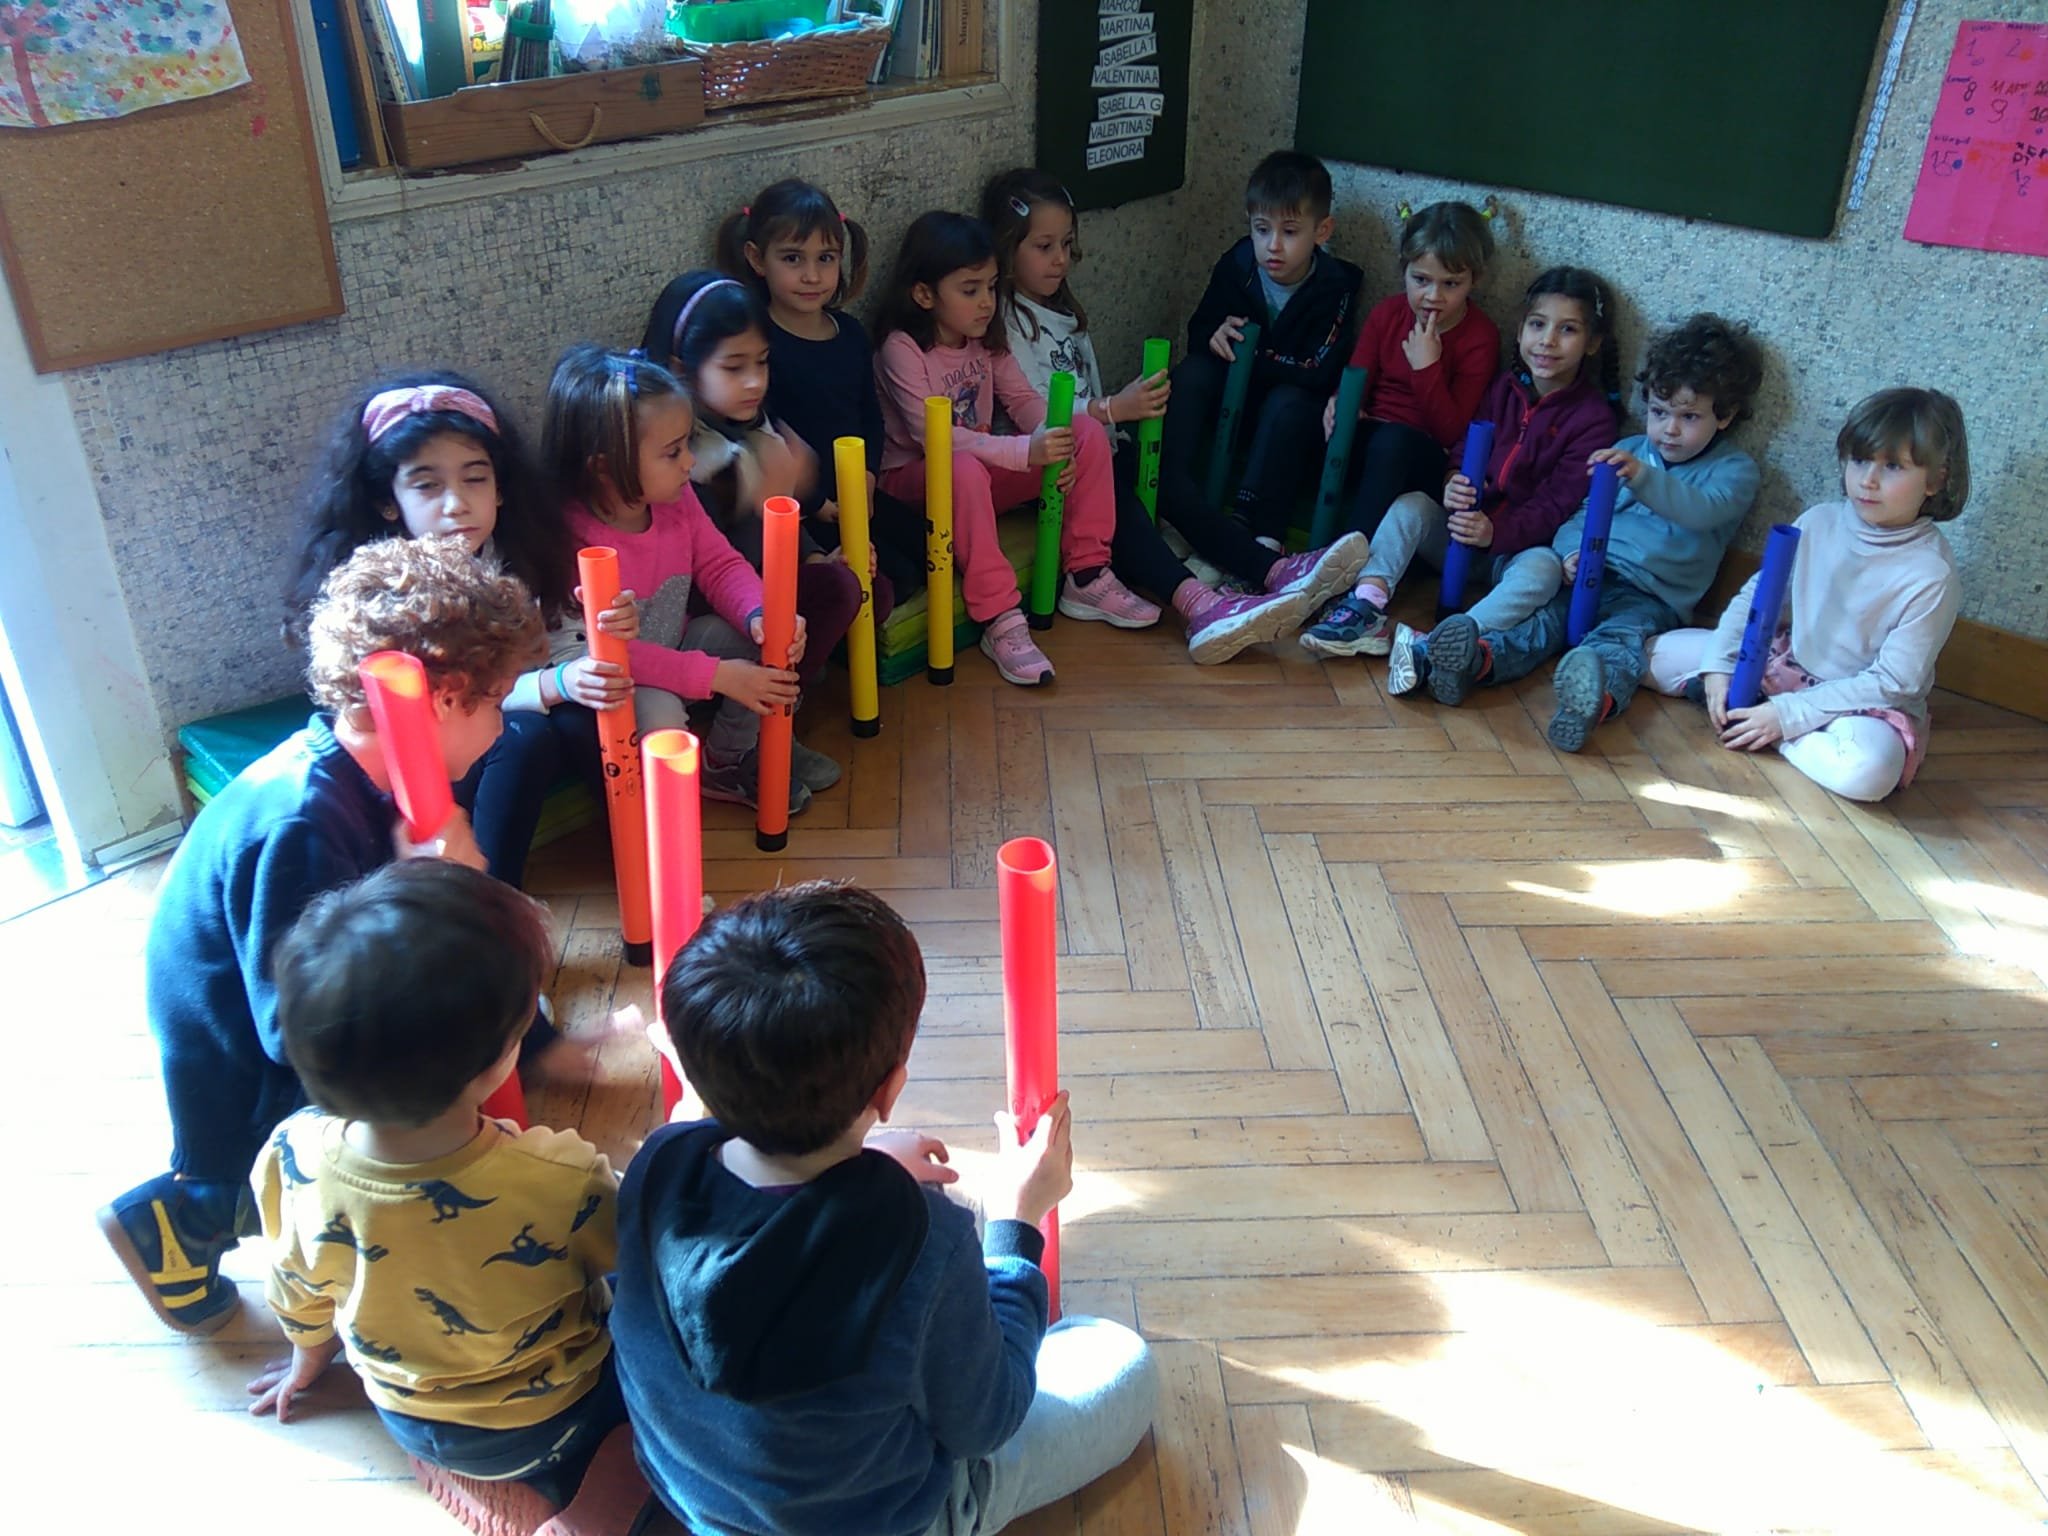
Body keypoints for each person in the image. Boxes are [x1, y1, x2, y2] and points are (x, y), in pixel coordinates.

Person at [612, 882, 1158, 1536]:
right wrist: (1016, 1222)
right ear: (891, 1090)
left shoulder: (657, 1165)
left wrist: (866, 1159)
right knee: (1123, 1361)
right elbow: (987, 1420)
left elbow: (764, 1245)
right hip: (879, 1520)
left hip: (696, 1496)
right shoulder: (926, 1246)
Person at [98, 538, 546, 1335]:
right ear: (444, 699)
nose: (503, 726)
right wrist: (427, 889)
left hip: (287, 1024)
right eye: (496, 702)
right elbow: (299, 1027)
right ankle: (177, 1218)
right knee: (378, 1146)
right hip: (247, 1073)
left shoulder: (363, 781)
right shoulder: (304, 820)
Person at [247, 860, 645, 1536]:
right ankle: (587, 1499)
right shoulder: (560, 1174)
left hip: (406, 1415)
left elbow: (294, 1282)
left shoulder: (290, 1154)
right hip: (558, 1418)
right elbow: (646, 1258)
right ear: (500, 1061)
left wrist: (307, 1361)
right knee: (660, 1368)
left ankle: (462, 1472)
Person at [282, 372, 638, 889]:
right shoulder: (386, 591)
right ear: (387, 499)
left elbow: (557, 643)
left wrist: (600, 634)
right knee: (526, 737)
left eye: (475, 479)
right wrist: (554, 684)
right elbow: (427, 710)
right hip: (433, 750)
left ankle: (639, 861)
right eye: (427, 485)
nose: (456, 504)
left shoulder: (521, 553)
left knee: (583, 719)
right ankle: (487, 895)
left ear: (500, 488)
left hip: (499, 715)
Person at [981, 167, 1325, 663]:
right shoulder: (1005, 320)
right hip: (1048, 466)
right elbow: (1035, 412)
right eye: (1044, 246)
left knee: (1170, 485)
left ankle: (1269, 569)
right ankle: (1198, 603)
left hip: (1094, 451)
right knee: (1127, 503)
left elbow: (1081, 391)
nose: (1060, 259)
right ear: (1006, 247)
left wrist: (1115, 419)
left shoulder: (1061, 311)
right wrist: (1114, 409)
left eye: (1067, 244)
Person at [1415, 314, 1767, 752]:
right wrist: (1569, 554)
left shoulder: (1735, 471)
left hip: (1651, 596)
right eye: (1659, 413)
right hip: (1587, 574)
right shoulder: (1629, 451)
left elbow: (1700, 511)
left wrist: (1642, 477)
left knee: (1618, 645)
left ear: (1726, 415)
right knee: (1541, 624)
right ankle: (1475, 661)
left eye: (1689, 416)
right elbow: (1580, 514)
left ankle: (1591, 700)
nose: (1670, 429)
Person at [873, 211, 1159, 686]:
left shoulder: (984, 337)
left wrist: (1055, 446)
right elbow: (934, 439)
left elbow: (1025, 401)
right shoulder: (900, 349)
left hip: (980, 474)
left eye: (991, 287)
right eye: (970, 290)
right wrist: (1028, 453)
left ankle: (1087, 575)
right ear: (924, 295)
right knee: (961, 467)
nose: (987, 303)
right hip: (916, 486)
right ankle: (999, 617)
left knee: (1083, 432)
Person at [1648, 386, 1965, 800]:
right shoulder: (1819, 521)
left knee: (1868, 773)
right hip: (1786, 666)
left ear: (1936, 479)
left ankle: (1770, 729)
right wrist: (1719, 666)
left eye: (1892, 466)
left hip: (1858, 703)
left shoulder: (1931, 574)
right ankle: (1750, 709)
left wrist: (1786, 718)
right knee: (1656, 653)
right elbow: (1756, 598)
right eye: (1860, 460)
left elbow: (1893, 682)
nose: (1868, 480)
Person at [643, 269, 890, 793]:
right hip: (708, 613)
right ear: (681, 370)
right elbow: (709, 560)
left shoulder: (756, 424)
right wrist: (757, 494)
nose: (754, 381)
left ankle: (778, 704)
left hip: (760, 591)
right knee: (823, 600)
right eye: (733, 367)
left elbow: (784, 518)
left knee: (864, 587)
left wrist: (815, 556)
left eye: (761, 362)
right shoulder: (680, 452)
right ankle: (748, 739)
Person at [542, 344, 810, 814]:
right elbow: (609, 657)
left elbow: (719, 564)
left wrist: (760, 614)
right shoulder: (575, 540)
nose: (689, 462)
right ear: (604, 466)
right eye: (672, 453)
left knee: (768, 642)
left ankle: (727, 761)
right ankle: (663, 825)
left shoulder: (677, 498)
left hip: (677, 643)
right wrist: (716, 676)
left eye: (687, 444)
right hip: (625, 677)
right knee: (664, 721)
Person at [1301, 266, 1621, 657]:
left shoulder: (1593, 419)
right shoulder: (1504, 389)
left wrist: (1496, 532)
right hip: (1459, 535)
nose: (1548, 341)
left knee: (1544, 571)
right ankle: (1366, 604)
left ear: (1593, 342)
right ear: (1520, 330)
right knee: (1411, 507)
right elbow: (1464, 446)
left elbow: (1556, 503)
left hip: (1519, 549)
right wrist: (1452, 478)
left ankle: (1450, 639)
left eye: (1567, 330)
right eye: (1537, 324)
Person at [715, 178, 927, 599]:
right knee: (883, 584)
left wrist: (868, 477)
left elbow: (869, 414)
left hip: (855, 494)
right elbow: (762, 435)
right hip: (802, 513)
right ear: (757, 258)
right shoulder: (758, 344)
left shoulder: (849, 333)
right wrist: (815, 503)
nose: (812, 276)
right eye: (793, 258)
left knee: (932, 554)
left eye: (825, 258)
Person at [1158, 150, 1364, 562]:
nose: (1273, 246)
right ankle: (1175, 509)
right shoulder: (1238, 264)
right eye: (1262, 229)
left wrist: (1250, 358)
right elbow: (1199, 330)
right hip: (1235, 399)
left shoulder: (1335, 285)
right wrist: (1215, 336)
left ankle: (1259, 534)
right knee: (1192, 373)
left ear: (1322, 231)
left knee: (1288, 402)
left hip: (1291, 419)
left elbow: (1318, 370)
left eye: (1290, 231)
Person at [1322, 200, 1500, 541]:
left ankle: (1350, 551)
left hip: (1421, 455)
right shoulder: (1387, 314)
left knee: (1393, 442)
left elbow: (1450, 433)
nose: (1433, 296)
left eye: (1451, 284)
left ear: (1474, 281)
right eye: (1421, 280)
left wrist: (1427, 368)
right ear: (1404, 270)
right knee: (1294, 408)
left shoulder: (1481, 337)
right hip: (1370, 438)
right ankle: (1263, 538)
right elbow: (1357, 378)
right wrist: (1340, 403)